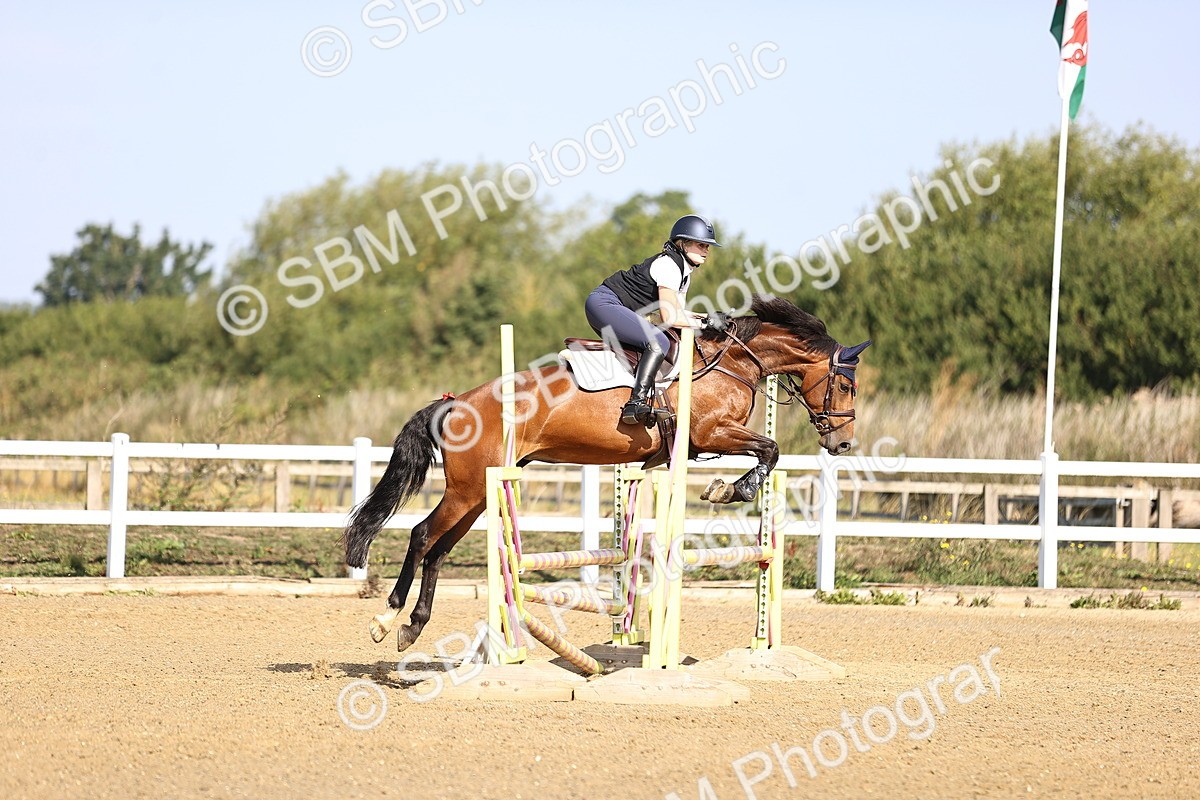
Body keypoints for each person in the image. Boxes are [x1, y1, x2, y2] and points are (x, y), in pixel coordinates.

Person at [584, 214, 731, 426]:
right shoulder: (669, 266)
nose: (707, 251)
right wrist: (705, 324)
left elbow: (679, 313)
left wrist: (707, 317)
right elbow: (670, 317)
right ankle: (636, 402)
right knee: (658, 342)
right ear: (682, 244)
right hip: (604, 303)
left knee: (663, 340)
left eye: (708, 246)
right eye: (701, 245)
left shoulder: (683, 273)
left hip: (614, 307)